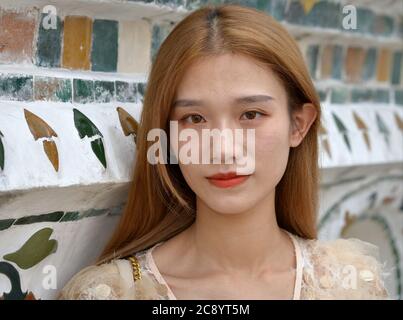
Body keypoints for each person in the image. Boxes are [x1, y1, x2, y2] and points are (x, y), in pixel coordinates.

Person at [59, 4, 389, 300]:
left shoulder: (351, 286)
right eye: (194, 119)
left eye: (251, 115)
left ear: (298, 125)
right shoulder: (112, 294)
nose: (223, 149)